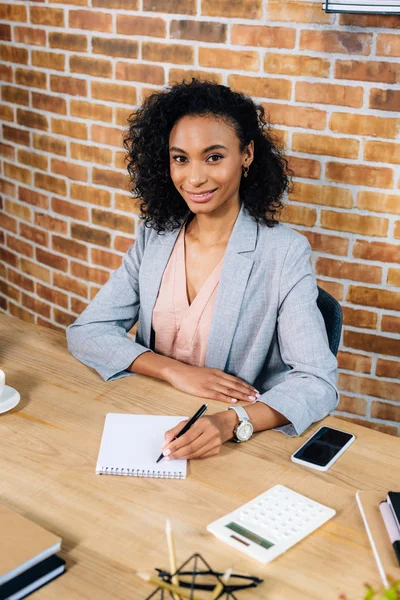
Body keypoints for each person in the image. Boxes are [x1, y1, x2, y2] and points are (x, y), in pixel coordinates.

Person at [66, 79, 338, 461]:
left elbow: (317, 381)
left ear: (246, 155)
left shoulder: (283, 252)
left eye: (213, 157)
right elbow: (87, 331)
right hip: (150, 425)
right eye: (181, 158)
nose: (194, 178)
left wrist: (232, 421)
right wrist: (173, 371)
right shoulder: (155, 237)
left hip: (234, 448)